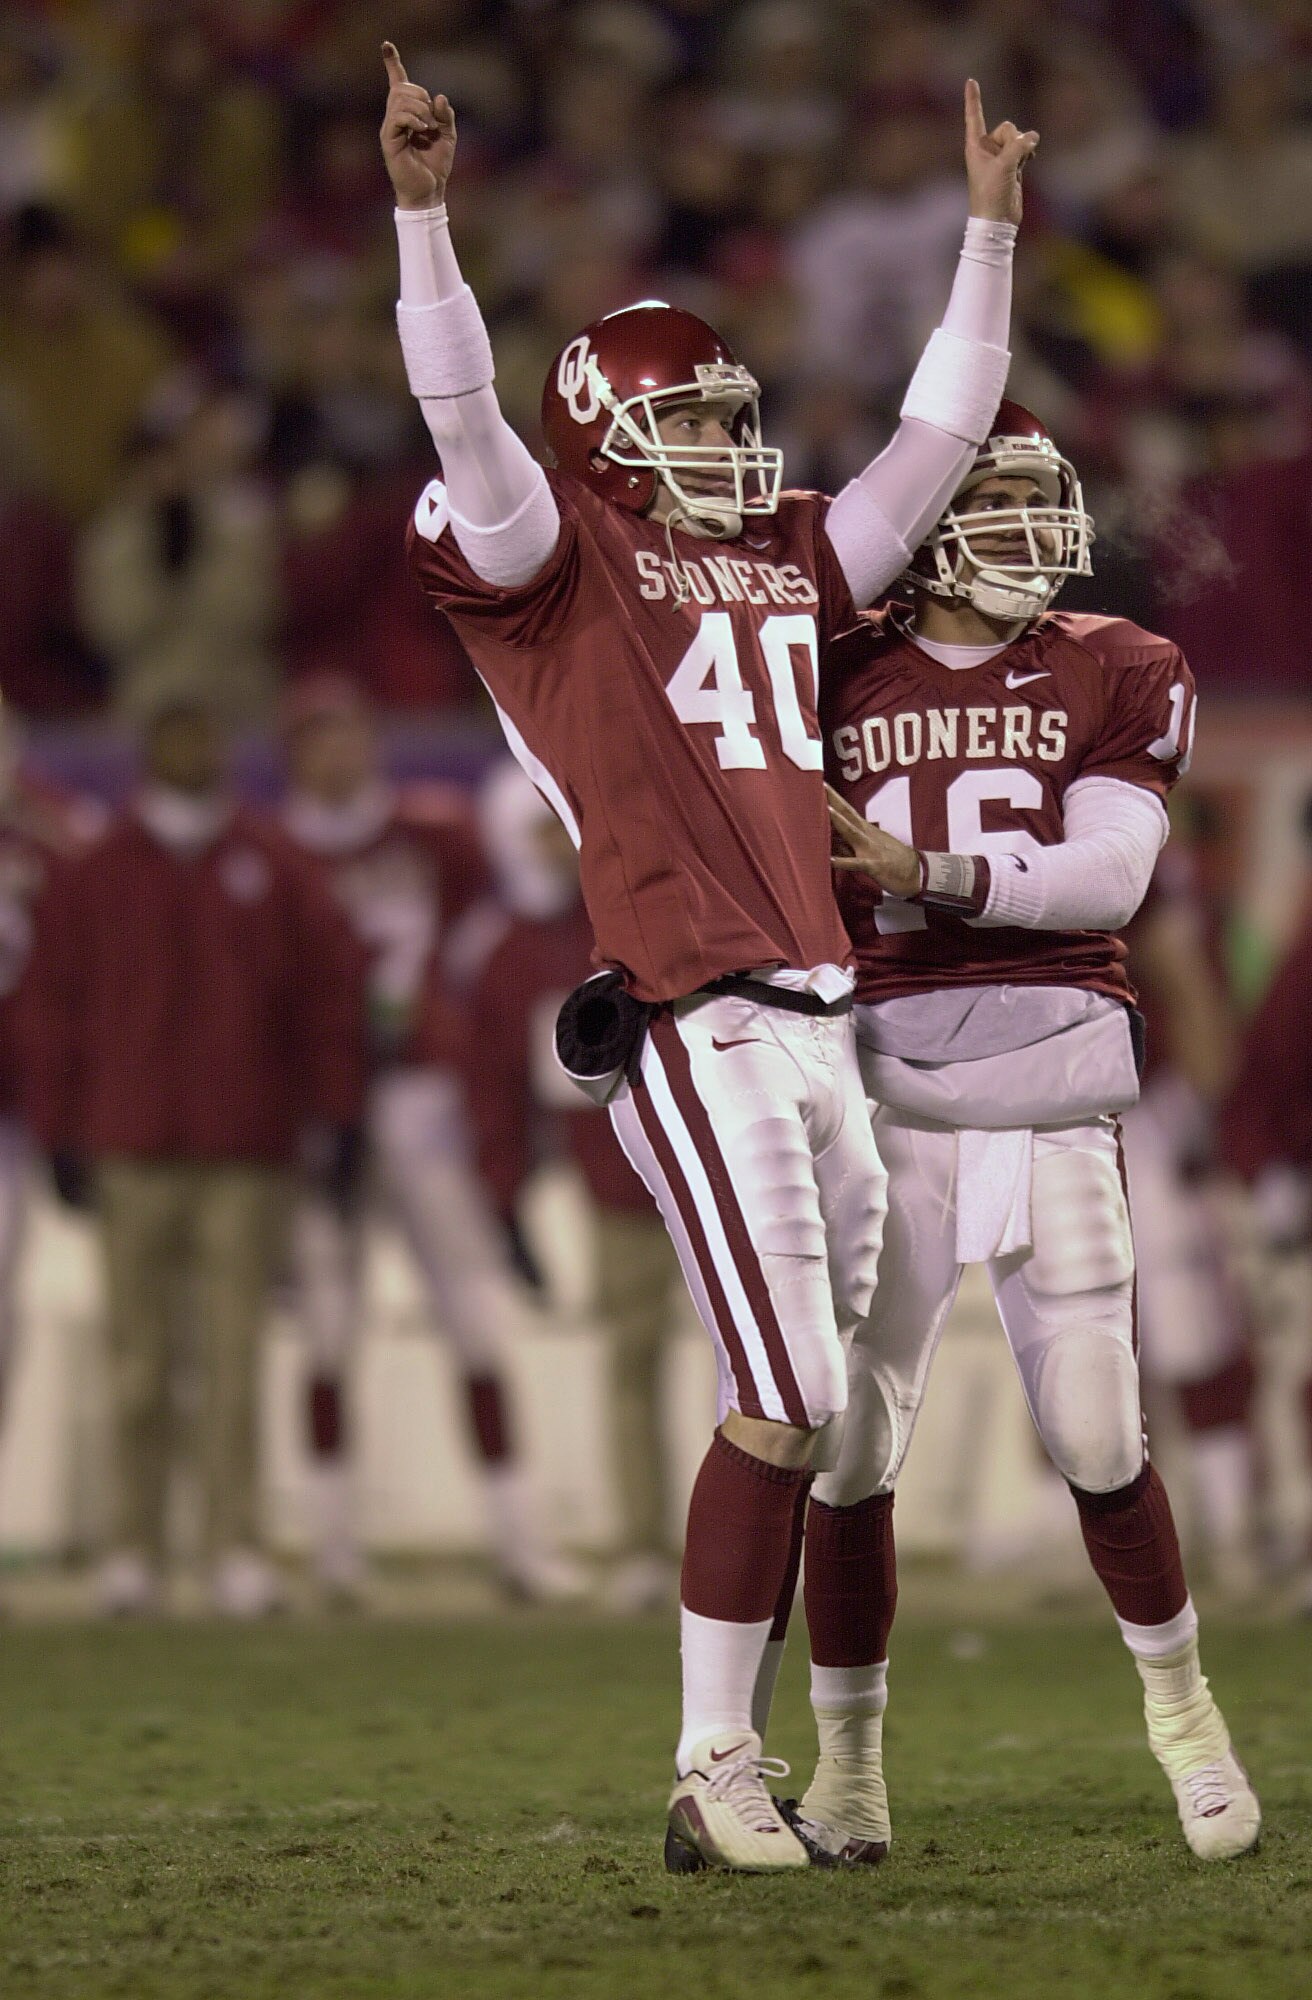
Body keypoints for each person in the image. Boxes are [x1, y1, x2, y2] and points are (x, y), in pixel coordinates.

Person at [381, 41, 1036, 1872]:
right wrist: (423, 219)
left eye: (734, 415)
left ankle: (772, 1766)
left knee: (821, 1421)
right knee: (790, 1403)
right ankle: (705, 1767)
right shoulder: (557, 554)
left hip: (826, 1012)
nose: (728, 447)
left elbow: (937, 443)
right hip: (701, 1018)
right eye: (688, 419)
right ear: (603, 432)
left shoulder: (783, 553)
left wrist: (987, 240)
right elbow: (459, 426)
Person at [790, 400, 1259, 1866]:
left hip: (1056, 1076)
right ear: (925, 534)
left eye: (1041, 506)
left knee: (1100, 1431)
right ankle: (849, 1767)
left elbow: (1110, 875)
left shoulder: (1117, 664)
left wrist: (924, 864)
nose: (1034, 537)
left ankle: (1187, 1724)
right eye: (996, 507)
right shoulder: (836, 669)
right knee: (853, 1452)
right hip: (885, 1087)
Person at [23, 692, 365, 1615]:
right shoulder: (94, 873)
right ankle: (132, 1547)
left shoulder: (273, 866)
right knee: (137, 1359)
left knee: (232, 1358)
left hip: (246, 1149)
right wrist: (60, 1132)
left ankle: (233, 1547)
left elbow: (326, 998)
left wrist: (335, 1117)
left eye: (204, 730)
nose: (192, 747)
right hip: (131, 1144)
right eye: (176, 733)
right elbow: (52, 1009)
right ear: (149, 751)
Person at [280, 678, 585, 1603]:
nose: (339, 754)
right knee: (329, 1326)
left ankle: (518, 1538)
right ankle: (332, 1545)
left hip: (420, 1099)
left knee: (473, 1315)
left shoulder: (437, 838)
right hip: (323, 1110)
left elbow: (475, 956)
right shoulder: (280, 854)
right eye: (318, 739)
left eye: (349, 733)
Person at [469, 759, 685, 1612]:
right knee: (632, 1360)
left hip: (721, 1170)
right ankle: (642, 1539)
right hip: (620, 1183)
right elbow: (502, 1083)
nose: (554, 849)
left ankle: (764, 1539)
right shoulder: (514, 950)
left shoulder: (657, 911)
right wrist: (507, 1194)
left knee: (759, 1367)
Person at [1120, 851, 1260, 1597]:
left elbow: (1184, 977)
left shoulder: (1156, 871)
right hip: (1105, 1109)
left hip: (1141, 1111)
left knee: (1184, 1325)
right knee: (1096, 1332)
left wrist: (1212, 1110)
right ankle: (1221, 1523)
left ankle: (1230, 1522)